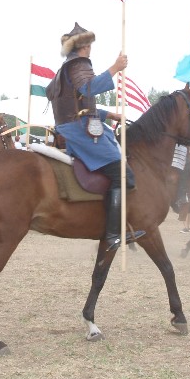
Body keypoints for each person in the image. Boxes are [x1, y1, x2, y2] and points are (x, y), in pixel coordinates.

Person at [45, 23, 144, 251]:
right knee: (123, 175)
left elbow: (79, 105)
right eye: (89, 44)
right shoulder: (79, 64)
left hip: (75, 126)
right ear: (83, 46)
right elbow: (89, 88)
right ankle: (112, 234)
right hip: (80, 130)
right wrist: (115, 67)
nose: (90, 48)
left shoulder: (65, 68)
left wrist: (110, 114)